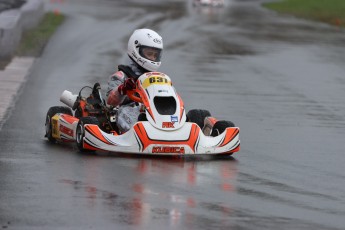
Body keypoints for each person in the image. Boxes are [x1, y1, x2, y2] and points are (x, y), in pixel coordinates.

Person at [106, 28, 163, 133]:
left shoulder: (158, 78)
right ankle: (142, 132)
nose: (153, 58)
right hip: (127, 110)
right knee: (129, 112)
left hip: (154, 110)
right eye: (149, 54)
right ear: (136, 50)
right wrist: (122, 89)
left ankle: (182, 127)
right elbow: (110, 102)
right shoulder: (122, 75)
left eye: (155, 55)